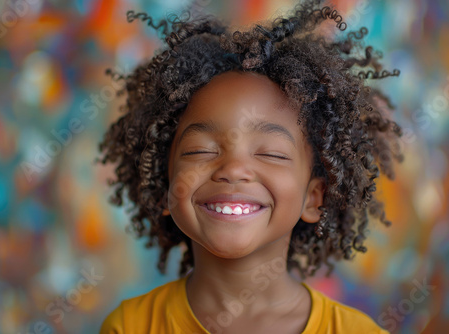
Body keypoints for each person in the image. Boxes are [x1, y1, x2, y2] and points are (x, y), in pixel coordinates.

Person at [97, 0, 403, 333]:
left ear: (314, 198)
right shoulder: (130, 326)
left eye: (271, 153)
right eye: (200, 149)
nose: (233, 169)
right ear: (163, 187)